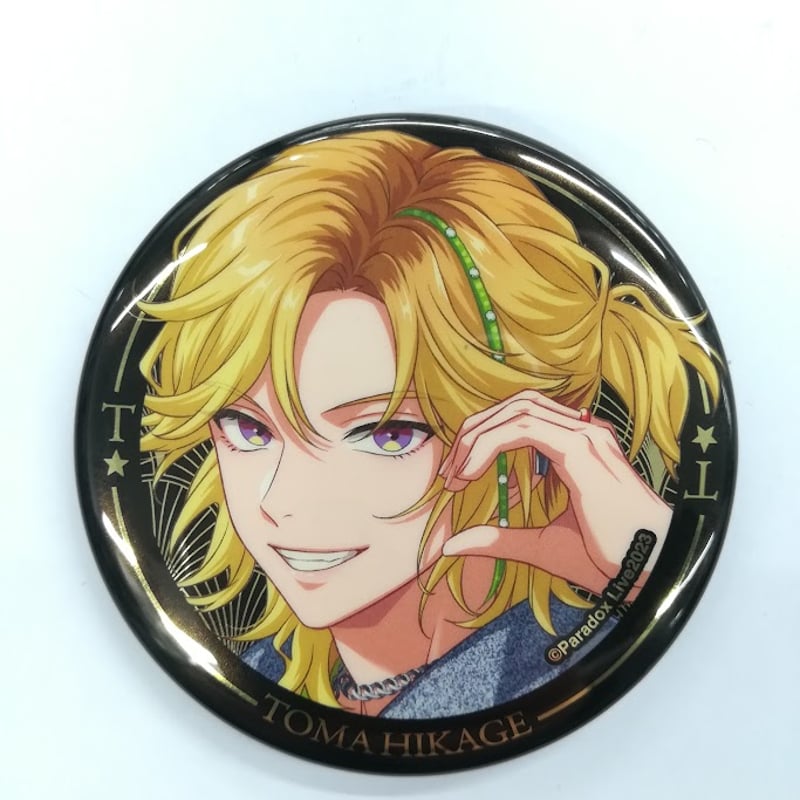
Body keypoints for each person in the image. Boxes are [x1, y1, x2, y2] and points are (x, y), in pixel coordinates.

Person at [139, 130, 718, 718]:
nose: (282, 502)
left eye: (385, 435)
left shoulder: (571, 667)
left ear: (529, 443)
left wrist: (650, 566)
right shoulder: (259, 673)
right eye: (249, 429)